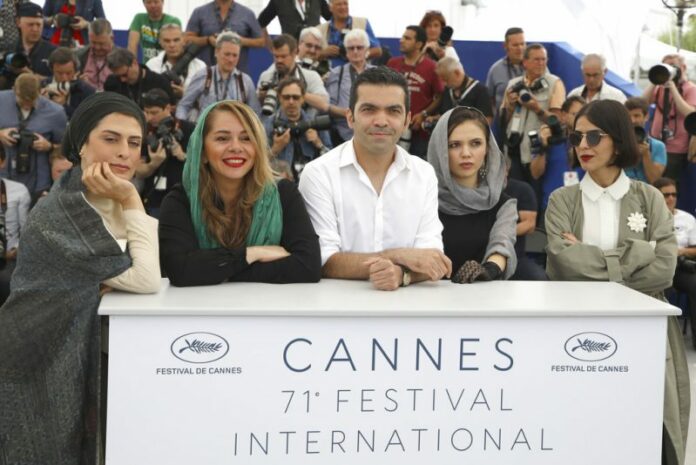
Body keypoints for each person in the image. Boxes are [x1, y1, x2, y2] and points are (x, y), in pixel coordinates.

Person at [0, 91, 160, 465]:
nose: (124, 151)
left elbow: (143, 273)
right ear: (81, 145)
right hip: (33, 361)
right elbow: (148, 278)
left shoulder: (113, 197)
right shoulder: (60, 213)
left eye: (134, 143)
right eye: (110, 138)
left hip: (109, 355)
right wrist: (133, 202)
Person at [544, 99, 689, 465]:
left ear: (619, 139)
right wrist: (636, 253)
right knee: (583, 430)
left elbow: (665, 270)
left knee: (647, 431)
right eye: (577, 136)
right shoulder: (562, 200)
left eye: (595, 135)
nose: (583, 145)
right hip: (577, 334)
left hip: (645, 332)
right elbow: (562, 264)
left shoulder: (651, 198)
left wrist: (590, 257)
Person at [298, 66, 452, 291]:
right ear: (350, 117)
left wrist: (401, 274)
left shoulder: (424, 174)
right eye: (369, 109)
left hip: (408, 313)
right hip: (336, 313)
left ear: (407, 120)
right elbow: (324, 260)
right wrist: (398, 256)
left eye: (393, 111)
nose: (381, 121)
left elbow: (431, 259)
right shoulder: (318, 174)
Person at [159, 99, 321, 286]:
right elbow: (179, 269)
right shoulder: (180, 200)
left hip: (267, 310)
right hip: (203, 312)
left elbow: (308, 266)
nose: (236, 147)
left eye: (246, 138)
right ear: (202, 151)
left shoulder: (284, 194)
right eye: (222, 138)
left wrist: (216, 270)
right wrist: (253, 254)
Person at [427, 106, 517, 283]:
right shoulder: (423, 199)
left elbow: (502, 244)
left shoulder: (502, 204)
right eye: (454, 145)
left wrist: (489, 269)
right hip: (428, 297)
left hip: (483, 298)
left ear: (487, 149)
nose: (466, 154)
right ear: (440, 150)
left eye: (475, 143)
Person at [502, 43, 566, 185]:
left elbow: (557, 121)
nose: (541, 63)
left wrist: (536, 108)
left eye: (544, 59)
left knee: (534, 194)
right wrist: (511, 106)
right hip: (513, 148)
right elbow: (503, 120)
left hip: (537, 150)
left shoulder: (554, 83)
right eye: (536, 59)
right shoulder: (514, 84)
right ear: (525, 62)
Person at [0, 73, 67, 201]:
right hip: (3, 176)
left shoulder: (56, 112)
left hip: (38, 181)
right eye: (22, 100)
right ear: (14, 89)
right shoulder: (1, 100)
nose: (27, 104)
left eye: (31, 101)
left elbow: (65, 148)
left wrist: (49, 146)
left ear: (40, 91)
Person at [176, 31, 260, 122]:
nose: (231, 59)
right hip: (205, 132)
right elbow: (184, 105)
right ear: (216, 52)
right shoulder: (203, 75)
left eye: (235, 55)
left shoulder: (245, 81)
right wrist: (182, 125)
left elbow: (255, 113)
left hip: (234, 133)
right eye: (227, 54)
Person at [387, 25, 443, 159]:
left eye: (407, 38)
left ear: (419, 44)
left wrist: (424, 114)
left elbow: (440, 96)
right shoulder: (392, 64)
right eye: (402, 37)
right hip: (391, 128)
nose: (401, 40)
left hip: (418, 133)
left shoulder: (432, 67)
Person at [654, 177, 696, 348]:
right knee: (657, 288)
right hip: (657, 266)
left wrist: (680, 251)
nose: (671, 198)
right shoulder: (648, 218)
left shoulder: (687, 219)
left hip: (681, 266)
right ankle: (659, 341)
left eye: (674, 194)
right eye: (666, 195)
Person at [137, 88, 192, 217]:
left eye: (154, 112)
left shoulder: (189, 129)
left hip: (183, 198)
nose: (150, 117)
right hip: (154, 200)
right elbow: (138, 171)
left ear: (168, 108)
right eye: (147, 112)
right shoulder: (144, 132)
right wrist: (153, 164)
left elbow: (204, 165)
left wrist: (183, 156)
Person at [264, 77, 331, 179]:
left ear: (303, 99)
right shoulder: (268, 124)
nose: (291, 102)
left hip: (310, 183)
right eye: (286, 97)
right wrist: (276, 148)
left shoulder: (315, 124)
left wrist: (318, 143)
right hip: (281, 185)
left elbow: (332, 161)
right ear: (279, 98)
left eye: (296, 97)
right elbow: (256, 163)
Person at [643, 53, 696, 182]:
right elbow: (642, 103)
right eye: (665, 66)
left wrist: (674, 89)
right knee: (652, 182)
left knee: (668, 184)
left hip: (676, 148)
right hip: (655, 144)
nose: (669, 69)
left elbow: (690, 113)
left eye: (673, 66)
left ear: (683, 67)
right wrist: (654, 81)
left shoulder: (690, 88)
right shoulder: (659, 87)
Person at [530, 96, 586, 211]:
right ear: (563, 116)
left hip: (582, 208)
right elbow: (535, 173)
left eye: (583, 115)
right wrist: (543, 148)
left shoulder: (590, 141)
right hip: (552, 207)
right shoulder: (550, 138)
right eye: (575, 114)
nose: (579, 119)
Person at [257, 34, 329, 117]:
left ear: (295, 53)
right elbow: (257, 109)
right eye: (276, 56)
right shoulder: (266, 77)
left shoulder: (311, 76)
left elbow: (324, 105)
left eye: (283, 56)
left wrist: (298, 93)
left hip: (304, 126)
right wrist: (262, 97)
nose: (279, 60)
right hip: (274, 125)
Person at [185, 0, 264, 72]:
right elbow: (187, 39)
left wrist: (238, 40)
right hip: (205, 73)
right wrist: (207, 40)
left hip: (237, 74)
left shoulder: (247, 14)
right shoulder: (199, 12)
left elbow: (261, 41)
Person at [325, 28, 373, 144]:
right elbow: (329, 106)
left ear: (367, 50)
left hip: (371, 131)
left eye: (359, 47)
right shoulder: (336, 73)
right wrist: (353, 115)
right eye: (351, 48)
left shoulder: (377, 73)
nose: (355, 51)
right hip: (342, 134)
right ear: (346, 52)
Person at [0, 143, 31, 305]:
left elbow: (26, 230)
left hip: (9, 262)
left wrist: (17, 249)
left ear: (2, 162)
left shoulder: (19, 190)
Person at [145, 23, 206, 100]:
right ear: (160, 42)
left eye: (176, 40)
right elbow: (146, 95)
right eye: (167, 41)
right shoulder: (151, 65)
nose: (172, 45)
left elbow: (205, 99)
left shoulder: (199, 66)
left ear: (184, 40)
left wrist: (184, 94)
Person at [431, 57, 493, 126]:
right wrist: (435, 119)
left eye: (446, 79)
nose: (444, 84)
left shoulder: (480, 91)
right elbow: (444, 114)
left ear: (457, 73)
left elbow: (487, 119)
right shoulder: (447, 90)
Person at [318, 0, 381, 67]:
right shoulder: (320, 29)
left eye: (345, 4)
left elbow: (377, 50)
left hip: (358, 73)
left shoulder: (362, 23)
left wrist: (361, 54)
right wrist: (323, 53)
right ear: (330, 8)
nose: (343, 7)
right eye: (339, 4)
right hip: (328, 74)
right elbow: (309, 56)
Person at [104, 48, 174, 107]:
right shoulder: (111, 83)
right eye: (117, 76)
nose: (122, 80)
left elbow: (170, 109)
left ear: (134, 63)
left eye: (124, 75)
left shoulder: (160, 83)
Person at [41, 46, 95, 119]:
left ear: (75, 70)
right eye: (59, 73)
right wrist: (42, 103)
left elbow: (85, 120)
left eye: (68, 73)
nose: (64, 78)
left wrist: (64, 106)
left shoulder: (86, 91)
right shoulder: (41, 86)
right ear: (52, 70)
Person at [624, 96, 667, 183]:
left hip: (647, 192)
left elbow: (654, 179)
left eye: (637, 116)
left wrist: (646, 154)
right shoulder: (617, 143)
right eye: (628, 116)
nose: (632, 120)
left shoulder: (658, 146)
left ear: (646, 116)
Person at [485, 27, 525, 120]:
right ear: (505, 46)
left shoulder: (536, 66)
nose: (520, 48)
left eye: (522, 44)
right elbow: (489, 100)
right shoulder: (495, 70)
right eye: (515, 45)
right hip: (504, 123)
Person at [15, 2, 56, 79]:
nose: (35, 29)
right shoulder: (11, 50)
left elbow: (61, 81)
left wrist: (32, 76)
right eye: (30, 25)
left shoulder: (54, 52)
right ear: (18, 22)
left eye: (38, 25)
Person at [257, 0, 331, 40]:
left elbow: (333, 19)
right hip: (290, 52)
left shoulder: (319, 1)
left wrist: (325, 40)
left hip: (314, 50)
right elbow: (260, 23)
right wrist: (271, 45)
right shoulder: (278, 1)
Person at [75, 18, 113, 91]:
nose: (97, 47)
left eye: (101, 44)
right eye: (93, 43)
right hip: (86, 99)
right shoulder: (78, 56)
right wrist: (78, 82)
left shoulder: (123, 58)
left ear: (111, 38)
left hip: (113, 100)